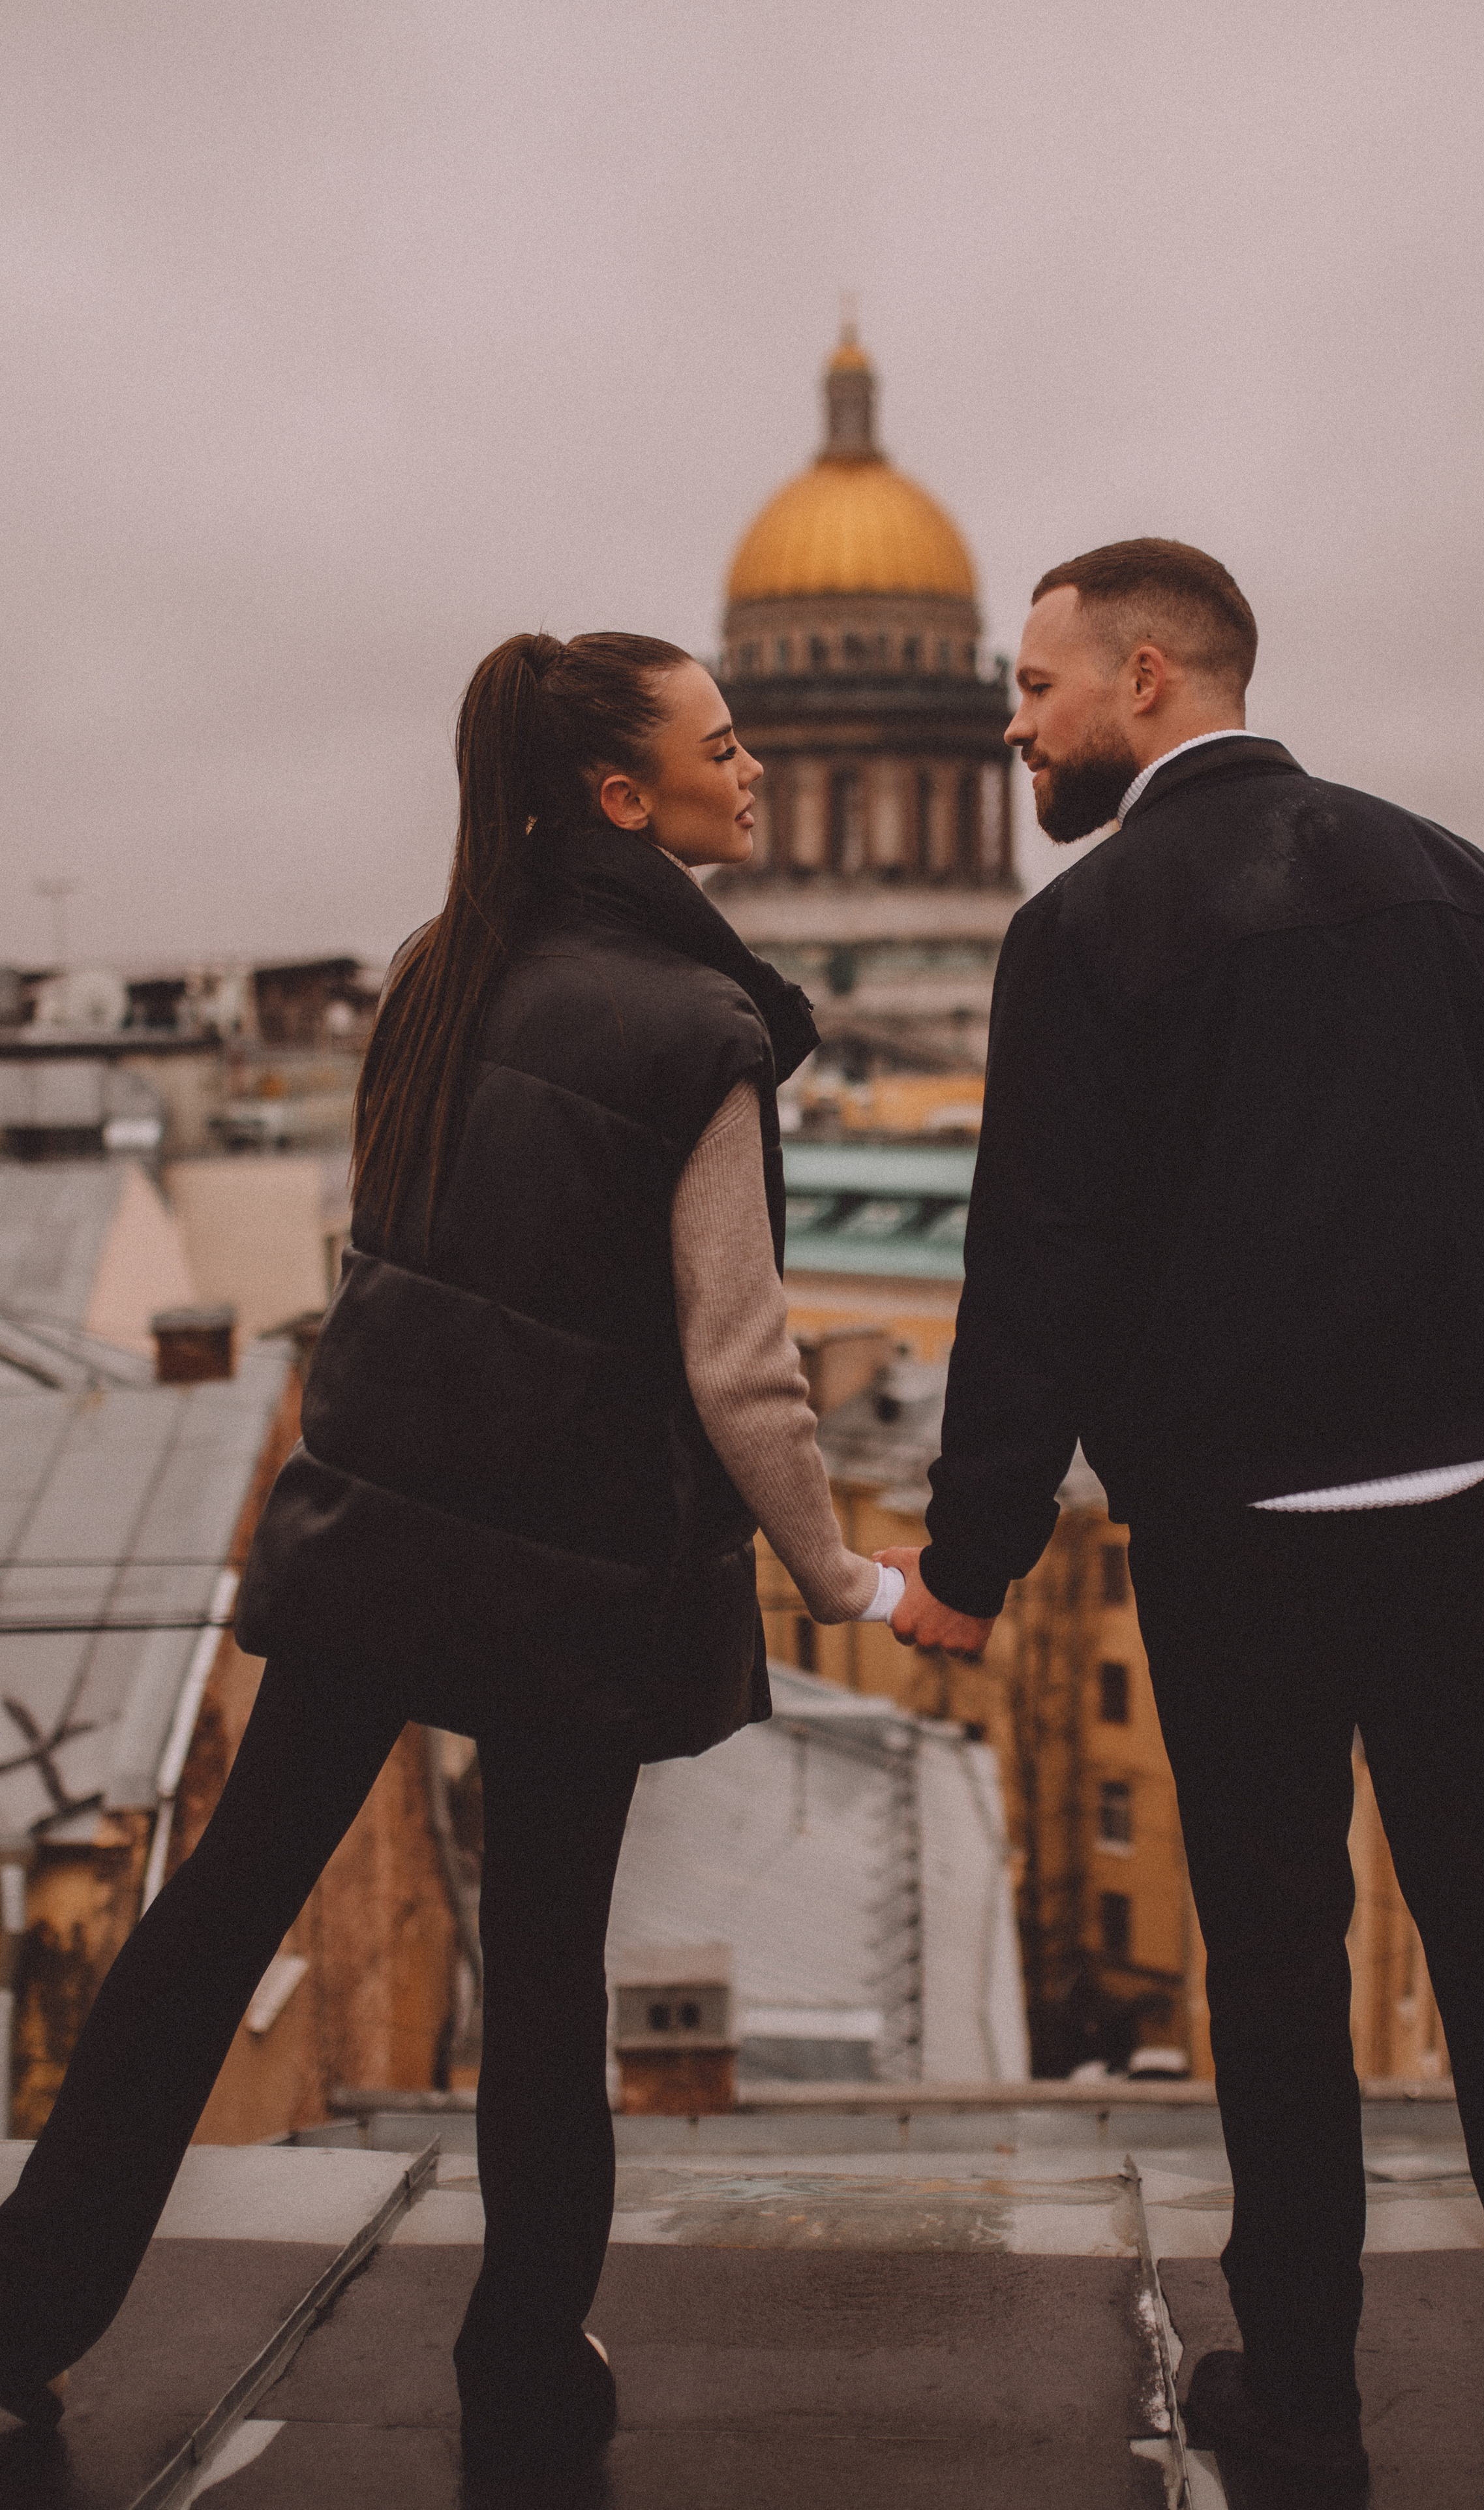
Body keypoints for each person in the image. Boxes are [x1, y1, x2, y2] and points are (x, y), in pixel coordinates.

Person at [0, 632, 900, 2482]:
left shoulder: (435, 969)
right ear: (621, 797)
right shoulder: (700, 1025)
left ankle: (26, 2311)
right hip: (574, 1574)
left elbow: (399, 1261)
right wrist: (856, 1582)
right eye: (724, 745)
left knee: (214, 1915)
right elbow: (741, 1366)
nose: (758, 769)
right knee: (550, 1970)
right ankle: (524, 2371)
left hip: (378, 1535)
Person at [883, 540, 1484, 2482]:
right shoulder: (1458, 879)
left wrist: (970, 1565)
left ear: (1145, 678)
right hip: (1452, 1508)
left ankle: (1298, 2376)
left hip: (1233, 1535)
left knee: (1277, 1956)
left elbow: (1035, 1280)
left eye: (1036, 688)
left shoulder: (1087, 934)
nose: (1013, 723)